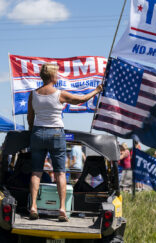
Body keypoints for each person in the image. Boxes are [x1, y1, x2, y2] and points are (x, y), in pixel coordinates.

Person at [27, 63, 102, 222]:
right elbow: (80, 100)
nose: (58, 76)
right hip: (56, 133)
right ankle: (62, 209)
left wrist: (32, 131)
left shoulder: (33, 94)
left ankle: (33, 206)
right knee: (60, 172)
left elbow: (30, 117)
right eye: (57, 74)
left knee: (36, 172)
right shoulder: (59, 94)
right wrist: (96, 91)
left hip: (38, 132)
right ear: (52, 76)